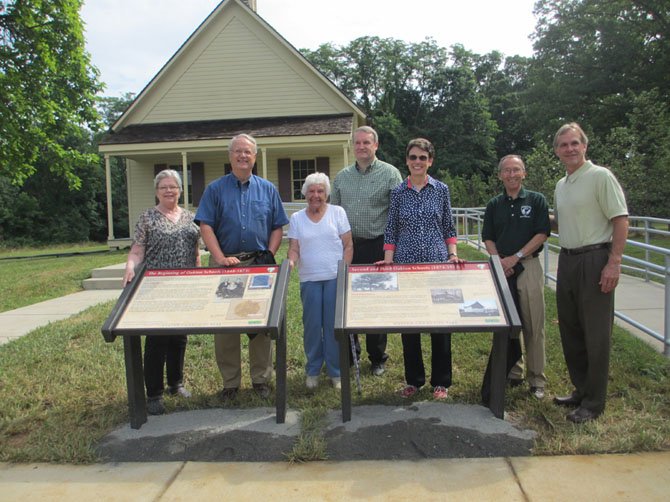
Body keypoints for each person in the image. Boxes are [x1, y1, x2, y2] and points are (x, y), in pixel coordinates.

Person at [195, 133, 289, 401]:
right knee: (226, 326)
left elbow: (277, 227)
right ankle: (230, 382)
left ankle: (261, 379)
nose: (242, 156)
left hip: (258, 266)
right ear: (230, 156)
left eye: (247, 151)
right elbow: (206, 226)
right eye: (237, 151)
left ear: (255, 156)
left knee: (260, 323)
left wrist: (268, 255)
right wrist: (221, 257)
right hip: (227, 265)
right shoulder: (215, 189)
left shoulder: (268, 189)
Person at [376, 138, 464, 400]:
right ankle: (414, 379)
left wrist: (453, 254)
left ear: (430, 161)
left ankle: (441, 382)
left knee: (440, 324)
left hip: (437, 265)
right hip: (406, 267)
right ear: (406, 160)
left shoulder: (441, 190)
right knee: (410, 325)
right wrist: (389, 260)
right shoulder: (397, 192)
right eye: (413, 157)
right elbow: (391, 229)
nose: (417, 162)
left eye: (422, 158)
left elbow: (449, 227)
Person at [552, 122, 628, 423]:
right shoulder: (562, 184)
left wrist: (615, 261)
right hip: (568, 260)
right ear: (557, 151)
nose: (570, 149)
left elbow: (620, 219)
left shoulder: (600, 176)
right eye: (563, 145)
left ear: (585, 146)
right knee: (570, 329)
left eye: (575, 143)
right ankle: (580, 389)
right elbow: (561, 222)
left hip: (596, 258)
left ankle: (594, 402)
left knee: (596, 333)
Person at [122, 169, 201, 415]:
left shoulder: (190, 218)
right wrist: (129, 266)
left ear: (180, 190)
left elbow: (196, 252)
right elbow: (137, 250)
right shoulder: (147, 218)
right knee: (156, 340)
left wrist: (198, 279)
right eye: (164, 187)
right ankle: (154, 394)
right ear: (157, 191)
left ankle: (175, 383)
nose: (169, 190)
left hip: (184, 287)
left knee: (179, 337)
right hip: (156, 288)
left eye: (173, 186)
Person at [331, 126, 403, 376]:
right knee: (349, 302)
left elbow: (397, 215)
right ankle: (352, 355)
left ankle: (377, 358)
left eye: (366, 143)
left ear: (376, 145)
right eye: (357, 143)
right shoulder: (341, 177)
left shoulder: (391, 174)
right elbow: (334, 215)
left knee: (374, 303)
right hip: (350, 246)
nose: (361, 147)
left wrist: (390, 252)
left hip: (378, 245)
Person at [480, 155, 551, 404]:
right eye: (506, 171)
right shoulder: (494, 204)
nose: (511, 175)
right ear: (500, 175)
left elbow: (542, 233)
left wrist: (516, 257)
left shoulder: (536, 200)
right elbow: (487, 236)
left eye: (516, 170)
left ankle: (536, 379)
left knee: (533, 325)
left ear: (524, 173)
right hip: (502, 269)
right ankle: (513, 370)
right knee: (508, 325)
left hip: (527, 266)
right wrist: (499, 259)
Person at [287, 172, 353, 390]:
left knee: (333, 327)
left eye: (321, 191)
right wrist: (291, 262)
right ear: (305, 193)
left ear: (327, 194)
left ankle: (336, 372)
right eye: (312, 191)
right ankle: (313, 370)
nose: (316, 195)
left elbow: (348, 245)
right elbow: (294, 248)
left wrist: (344, 270)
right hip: (310, 279)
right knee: (313, 327)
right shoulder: (297, 218)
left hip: (335, 278)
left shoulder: (338, 213)